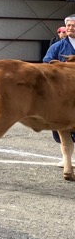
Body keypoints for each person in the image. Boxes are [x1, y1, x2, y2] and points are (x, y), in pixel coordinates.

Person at [43, 15, 75, 151]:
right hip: (62, 90)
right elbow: (46, 63)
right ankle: (66, 154)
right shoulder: (57, 46)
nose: (71, 28)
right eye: (68, 25)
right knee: (60, 125)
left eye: (73, 26)